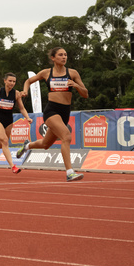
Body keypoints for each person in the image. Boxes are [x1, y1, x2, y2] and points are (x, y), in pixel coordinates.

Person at [17, 47, 88, 182]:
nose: (64, 57)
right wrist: (25, 91)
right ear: (53, 58)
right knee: (66, 136)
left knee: (45, 144)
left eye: (65, 55)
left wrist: (76, 86)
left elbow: (85, 94)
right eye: (60, 55)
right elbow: (28, 81)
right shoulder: (46, 73)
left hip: (65, 112)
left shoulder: (72, 73)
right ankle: (69, 172)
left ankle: (27, 146)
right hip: (51, 110)